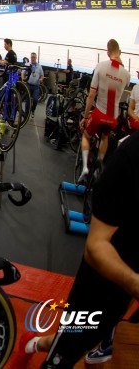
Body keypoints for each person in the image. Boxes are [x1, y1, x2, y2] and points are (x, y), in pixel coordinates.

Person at [22, 132, 139, 367]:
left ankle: (94, 339)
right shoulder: (130, 157)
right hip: (102, 288)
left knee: (88, 336)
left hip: (126, 286)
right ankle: (42, 343)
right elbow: (96, 247)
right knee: (67, 347)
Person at [78, 39, 130, 183]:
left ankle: (85, 168)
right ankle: (99, 163)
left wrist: (85, 115)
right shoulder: (126, 74)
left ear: (107, 52)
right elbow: (122, 80)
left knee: (86, 136)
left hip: (99, 113)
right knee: (105, 137)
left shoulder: (101, 66)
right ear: (120, 52)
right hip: (112, 117)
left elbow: (91, 95)